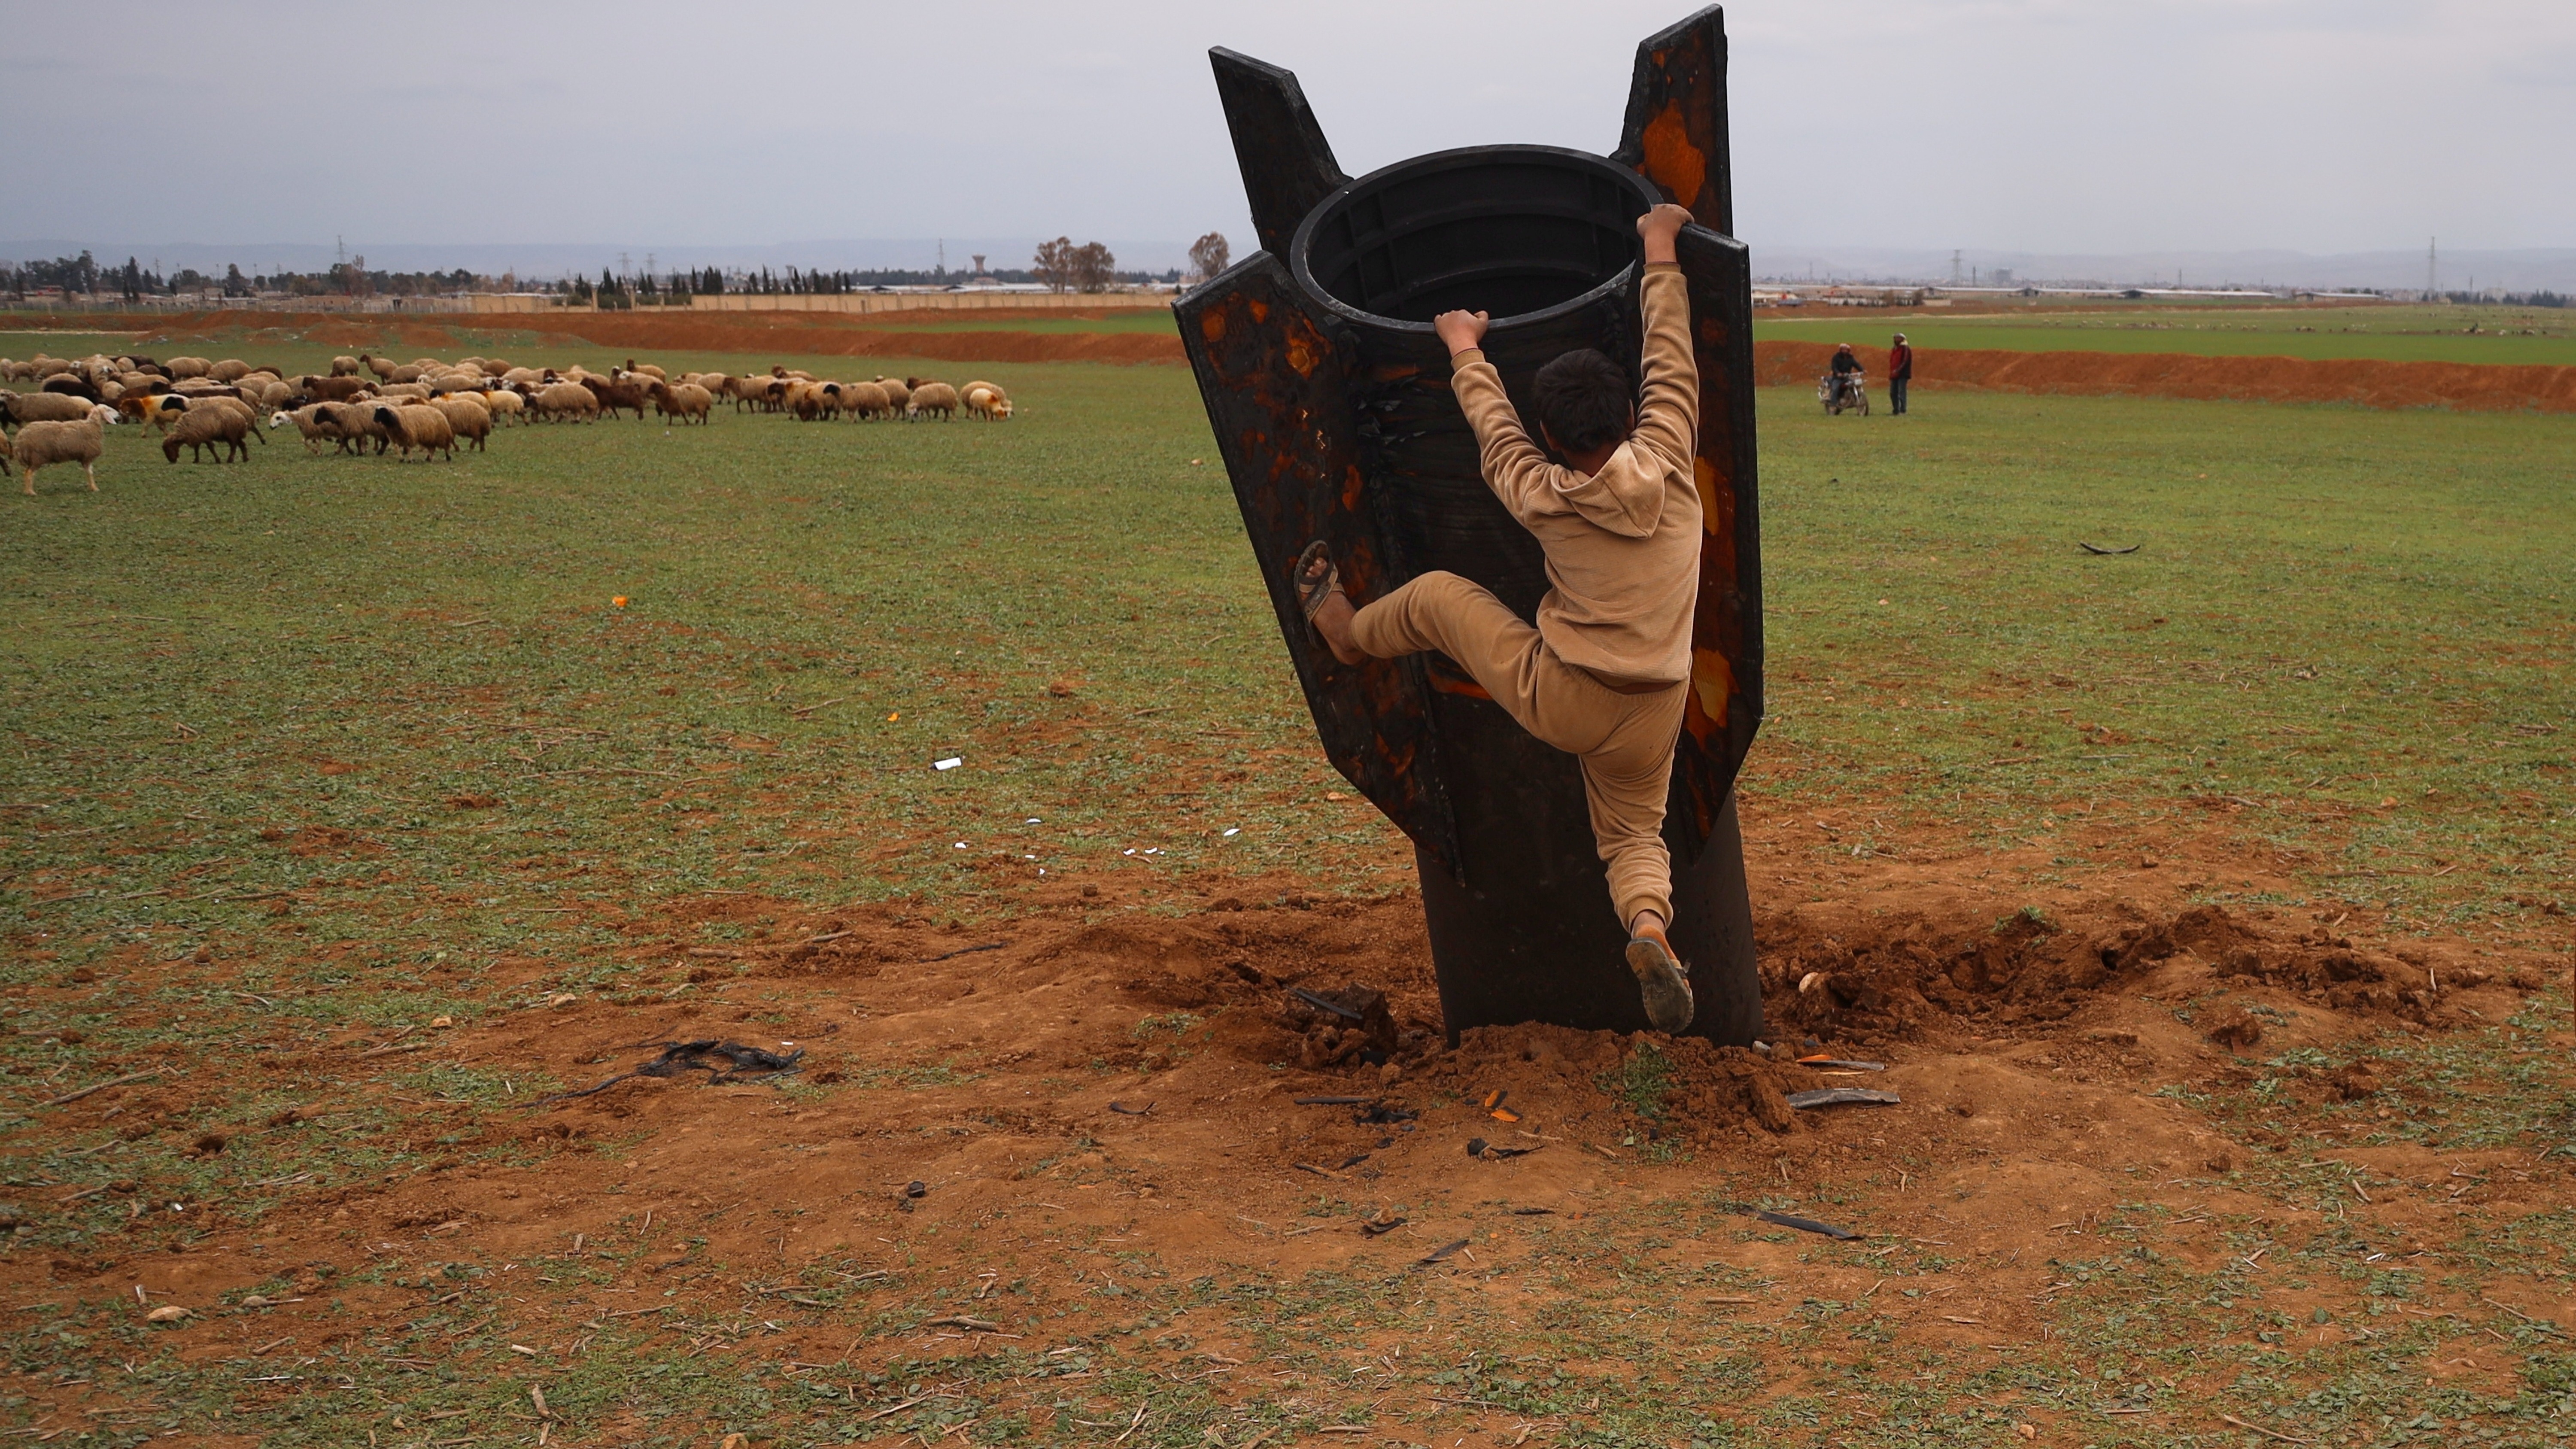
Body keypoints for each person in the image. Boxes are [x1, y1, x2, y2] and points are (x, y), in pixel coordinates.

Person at [1295, 202, 1703, 1033]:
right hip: (1657, 703)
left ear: (1553, 435)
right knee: (1633, 833)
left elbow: (1496, 439)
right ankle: (1650, 928)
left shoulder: (1546, 495)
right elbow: (1672, 357)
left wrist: (1463, 347)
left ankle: (1346, 635)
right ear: (1631, 416)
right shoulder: (1672, 458)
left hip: (1565, 693)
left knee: (1441, 597)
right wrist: (1658, 246)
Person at [1829, 341, 1864, 408]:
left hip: (1847, 377)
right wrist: (1838, 373)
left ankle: (1855, 400)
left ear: (1848, 350)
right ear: (1840, 350)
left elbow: (1856, 364)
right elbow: (1834, 367)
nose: (1845, 351)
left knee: (1855, 385)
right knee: (1836, 388)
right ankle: (1833, 405)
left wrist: (1862, 370)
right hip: (1838, 378)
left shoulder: (1851, 358)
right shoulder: (1836, 357)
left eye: (1846, 350)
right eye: (1843, 349)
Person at [1887, 332, 1913, 415]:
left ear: (1902, 339)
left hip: (1902, 374)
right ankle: (1896, 410)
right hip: (1894, 374)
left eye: (1898, 338)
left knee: (1902, 392)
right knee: (1893, 392)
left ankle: (1903, 410)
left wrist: (1898, 370)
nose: (1896, 340)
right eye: (1895, 338)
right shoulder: (1895, 349)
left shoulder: (1905, 348)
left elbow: (1905, 361)